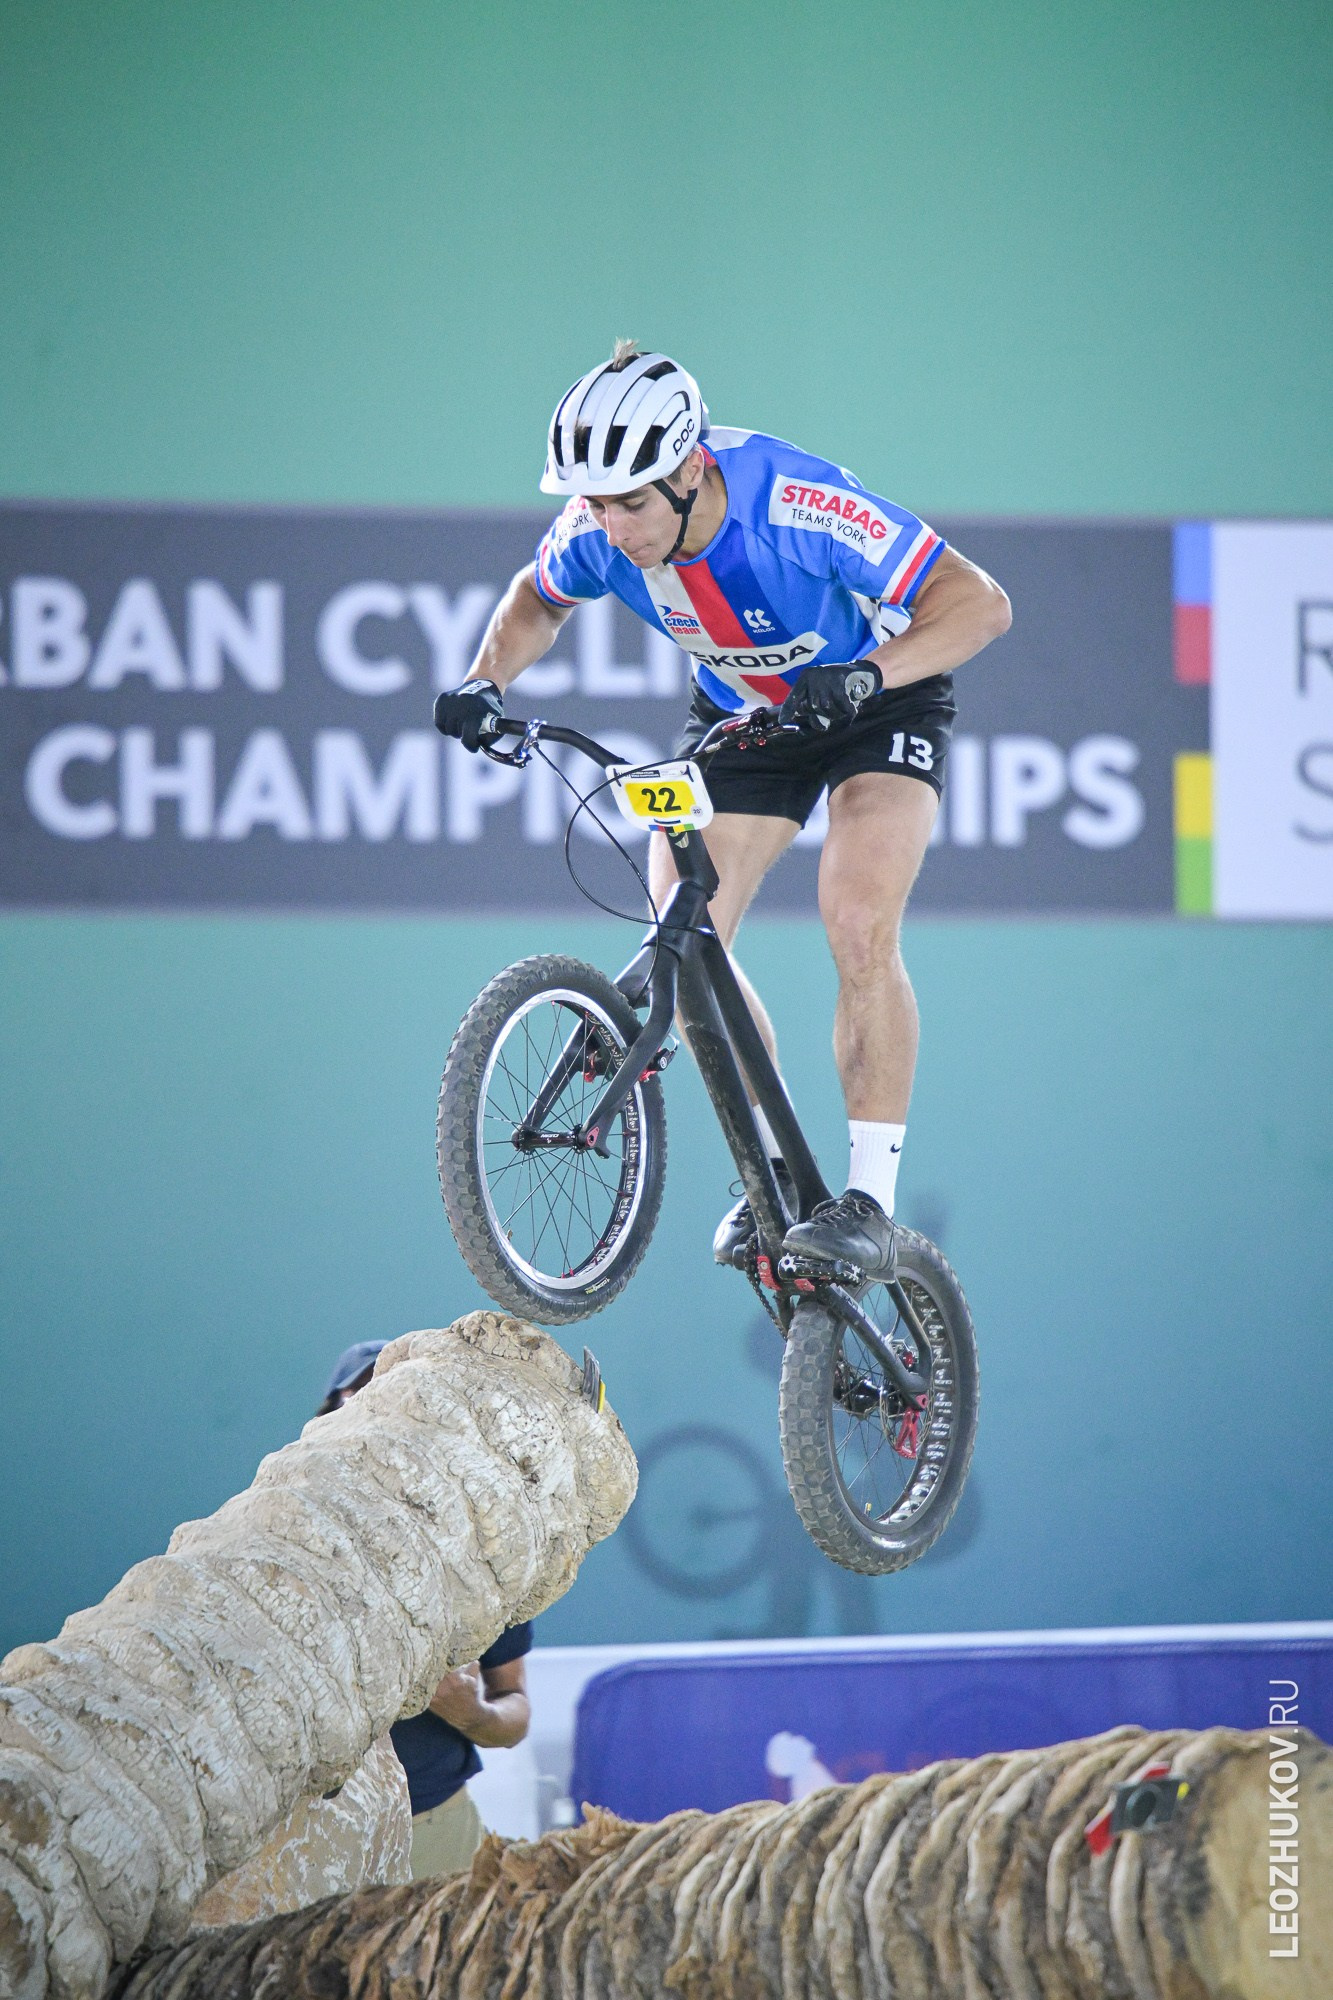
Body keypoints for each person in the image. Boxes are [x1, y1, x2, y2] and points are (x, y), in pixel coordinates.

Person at [433, 345, 1011, 1280]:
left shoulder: (794, 500)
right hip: (746, 717)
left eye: (630, 503)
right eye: (595, 503)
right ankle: (776, 1177)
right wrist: (481, 680)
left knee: (858, 922)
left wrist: (866, 671)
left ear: (691, 467)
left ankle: (866, 1204)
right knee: (686, 935)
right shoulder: (592, 530)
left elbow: (979, 605)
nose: (611, 528)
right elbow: (534, 602)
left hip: (876, 702)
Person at [315, 1340, 535, 1878]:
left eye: (396, 1393)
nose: (377, 1407)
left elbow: (515, 1707)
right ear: (328, 1417)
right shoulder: (292, 1535)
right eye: (363, 1392)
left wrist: (472, 1714)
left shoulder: (480, 1549)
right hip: (313, 1832)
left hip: (431, 1823)